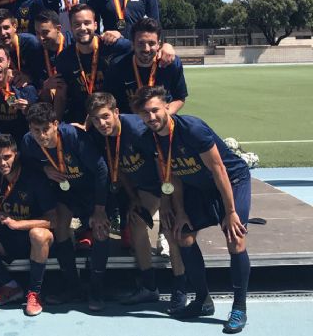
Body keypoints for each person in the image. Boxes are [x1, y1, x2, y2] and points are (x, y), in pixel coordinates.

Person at [130, 86, 251, 334]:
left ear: (167, 107)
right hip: (197, 187)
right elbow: (172, 175)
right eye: (145, 113)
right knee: (183, 236)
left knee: (235, 238)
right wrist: (180, 210)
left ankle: (239, 307)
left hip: (231, 181)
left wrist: (230, 212)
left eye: (155, 110)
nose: (151, 117)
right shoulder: (148, 139)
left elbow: (219, 170)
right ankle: (202, 300)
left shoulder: (192, 129)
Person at [84, 92, 187, 312]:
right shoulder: (100, 136)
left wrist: (166, 203)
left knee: (171, 229)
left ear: (116, 112)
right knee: (136, 221)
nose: (101, 123)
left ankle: (180, 288)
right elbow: (119, 169)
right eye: (95, 119)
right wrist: (133, 198)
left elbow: (165, 163)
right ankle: (149, 287)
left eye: (105, 116)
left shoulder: (138, 131)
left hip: (169, 181)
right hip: (145, 187)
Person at [21, 102, 110, 311]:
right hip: (65, 192)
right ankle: (73, 286)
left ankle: (96, 288)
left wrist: (99, 209)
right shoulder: (28, 141)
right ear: (30, 128)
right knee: (60, 227)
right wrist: (44, 168)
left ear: (55, 124)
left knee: (100, 230)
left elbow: (101, 170)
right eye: (36, 130)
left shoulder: (73, 137)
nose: (41, 135)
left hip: (90, 190)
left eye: (46, 129)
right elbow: (27, 163)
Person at [0, 134, 56, 316]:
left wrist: (18, 224)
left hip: (31, 241)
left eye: (7, 157)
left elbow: (54, 220)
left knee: (40, 234)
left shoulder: (34, 179)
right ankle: (11, 286)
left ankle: (34, 293)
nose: (2, 163)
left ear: (16, 155)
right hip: (5, 241)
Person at [56, 4, 131, 124]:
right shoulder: (64, 58)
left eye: (87, 23)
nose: (82, 28)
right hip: (82, 121)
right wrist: (56, 124)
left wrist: (164, 47)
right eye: (77, 24)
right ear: (71, 27)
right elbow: (61, 95)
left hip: (115, 119)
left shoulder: (113, 45)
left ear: (95, 25)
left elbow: (141, 49)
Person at [104, 17, 187, 114]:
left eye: (151, 43)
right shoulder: (117, 67)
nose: (146, 49)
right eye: (141, 43)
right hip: (130, 121)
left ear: (158, 44)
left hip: (161, 121)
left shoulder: (171, 64)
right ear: (133, 44)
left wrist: (163, 115)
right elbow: (110, 102)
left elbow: (180, 98)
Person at [0, 8, 43, 86]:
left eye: (6, 27)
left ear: (14, 26)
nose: (3, 33)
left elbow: (42, 74)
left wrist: (30, 78)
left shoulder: (32, 44)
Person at [33, 9, 68, 119]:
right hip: (51, 103)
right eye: (37, 33)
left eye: (45, 33)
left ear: (58, 29)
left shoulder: (73, 44)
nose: (41, 38)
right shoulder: (36, 52)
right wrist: (46, 86)